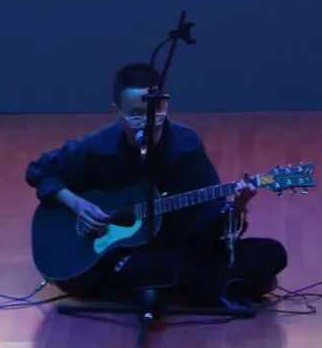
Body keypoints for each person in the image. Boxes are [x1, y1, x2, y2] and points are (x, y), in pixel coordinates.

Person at [26, 61, 288, 306]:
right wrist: (77, 204)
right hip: (119, 255)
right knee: (156, 269)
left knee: (272, 253)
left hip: (179, 248)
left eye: (156, 112)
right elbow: (39, 170)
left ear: (164, 104)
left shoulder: (186, 147)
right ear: (117, 112)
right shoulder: (99, 145)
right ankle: (212, 287)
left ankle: (166, 289)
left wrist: (238, 206)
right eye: (137, 114)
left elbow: (210, 223)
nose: (149, 122)